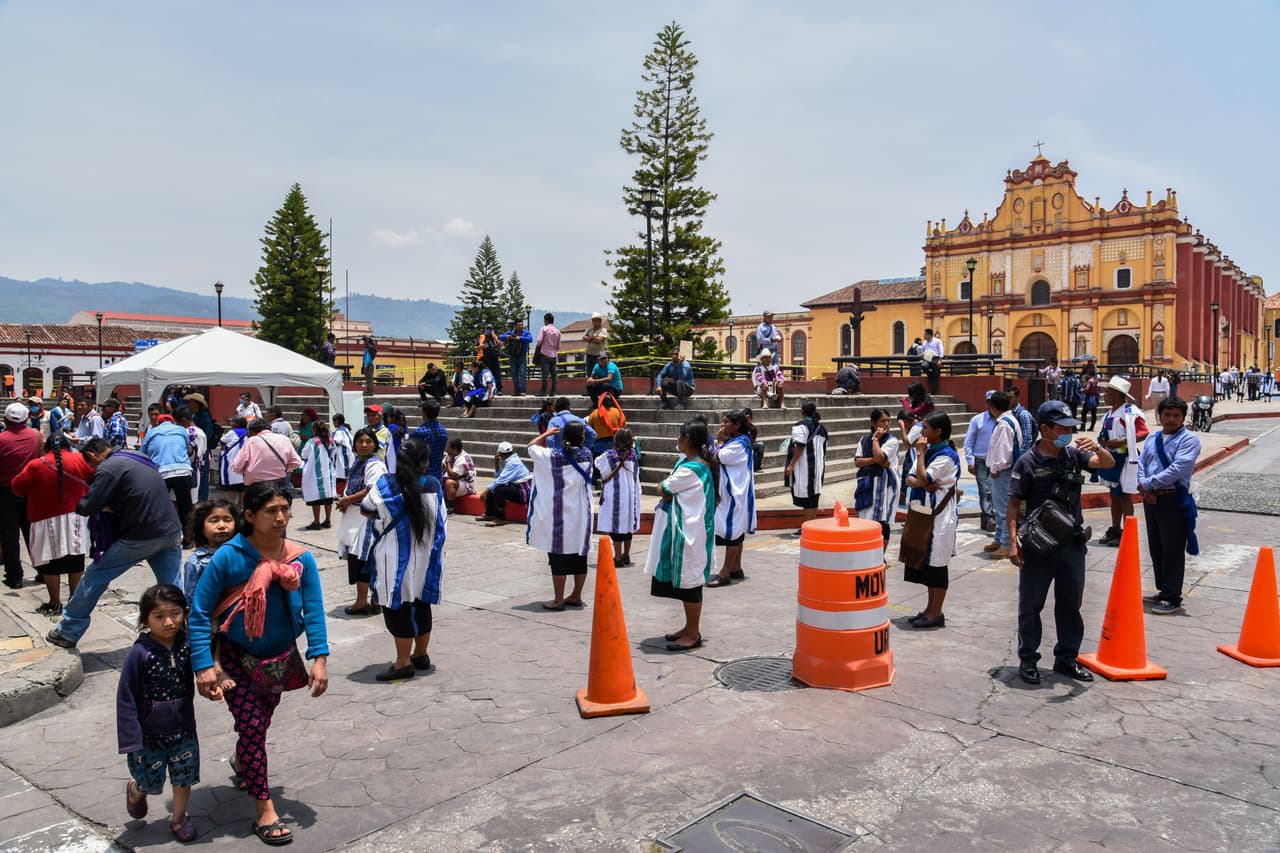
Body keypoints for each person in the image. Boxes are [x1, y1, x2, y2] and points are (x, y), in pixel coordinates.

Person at [188, 481, 329, 846]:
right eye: (271, 511)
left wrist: (319, 659)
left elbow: (313, 610)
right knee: (252, 728)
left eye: (284, 508)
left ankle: (242, 758)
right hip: (235, 656)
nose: (281, 517)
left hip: (280, 658)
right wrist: (204, 665)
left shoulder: (301, 559)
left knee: (258, 724)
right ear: (249, 516)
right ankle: (264, 809)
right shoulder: (228, 557)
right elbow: (201, 613)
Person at [1008, 401, 1114, 685]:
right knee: (1031, 606)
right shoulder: (1027, 462)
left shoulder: (1073, 455)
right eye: (1062, 427)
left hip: (1071, 545)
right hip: (1038, 547)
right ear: (1045, 429)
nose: (1068, 432)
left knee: (1070, 605)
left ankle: (1067, 659)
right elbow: (1014, 504)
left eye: (1070, 427)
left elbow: (1107, 464)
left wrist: (1098, 448)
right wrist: (1013, 543)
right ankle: (1028, 659)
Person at [46, 437, 184, 649]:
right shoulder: (139, 456)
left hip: (141, 536)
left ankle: (68, 631)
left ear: (92, 455)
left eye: (90, 465)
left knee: (95, 577)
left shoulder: (109, 468)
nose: (92, 469)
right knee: (173, 586)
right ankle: (183, 631)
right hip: (171, 531)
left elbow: (88, 505)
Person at [117, 583, 201, 843]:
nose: (168, 622)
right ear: (145, 620)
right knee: (149, 781)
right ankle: (135, 790)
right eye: (159, 616)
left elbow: (206, 667)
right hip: (148, 736)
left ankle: (179, 817)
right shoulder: (139, 654)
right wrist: (131, 737)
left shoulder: (188, 646)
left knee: (183, 777)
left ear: (185, 612)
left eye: (175, 613)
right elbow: (126, 697)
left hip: (184, 730)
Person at [362, 439, 446, 681]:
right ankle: (421, 654)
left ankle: (402, 662)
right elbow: (441, 520)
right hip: (425, 559)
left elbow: (367, 508)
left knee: (396, 608)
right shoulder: (433, 485)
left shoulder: (384, 485)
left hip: (393, 561)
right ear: (424, 463)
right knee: (421, 604)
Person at [645, 418, 717, 650]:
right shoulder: (694, 463)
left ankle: (693, 633)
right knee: (688, 582)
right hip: (690, 527)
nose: (677, 439)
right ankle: (689, 627)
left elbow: (665, 488)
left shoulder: (692, 468)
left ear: (687, 440)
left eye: (680, 436)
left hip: (690, 531)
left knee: (690, 584)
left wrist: (666, 490)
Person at [11, 434, 91, 613]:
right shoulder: (79, 459)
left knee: (51, 561)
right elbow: (94, 477)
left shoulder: (36, 465)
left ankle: (54, 602)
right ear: (68, 445)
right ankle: (74, 599)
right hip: (76, 517)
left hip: (45, 519)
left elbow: (17, 487)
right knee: (76, 559)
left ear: (46, 447)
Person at [1138, 397, 1201, 616]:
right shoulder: (1152, 438)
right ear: (1159, 416)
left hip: (1173, 499)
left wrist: (1148, 484)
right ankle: (1163, 588)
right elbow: (1142, 464)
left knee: (1172, 549)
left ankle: (1172, 596)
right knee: (1156, 547)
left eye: (1176, 415)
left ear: (1184, 417)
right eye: (1167, 415)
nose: (1171, 419)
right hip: (1152, 499)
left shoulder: (1189, 441)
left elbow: (1178, 469)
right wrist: (1146, 489)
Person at [902, 411, 961, 630]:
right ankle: (929, 608)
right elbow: (910, 479)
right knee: (927, 565)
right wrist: (921, 480)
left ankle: (937, 612)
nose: (922, 432)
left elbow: (923, 477)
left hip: (939, 519)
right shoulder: (928, 452)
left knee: (937, 565)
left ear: (938, 432)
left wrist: (919, 457)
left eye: (926, 428)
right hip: (924, 516)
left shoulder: (946, 455)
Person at [527, 421, 593, 610]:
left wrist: (546, 434)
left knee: (558, 558)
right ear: (581, 438)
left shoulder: (553, 456)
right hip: (580, 514)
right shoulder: (587, 455)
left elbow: (531, 447)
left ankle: (558, 599)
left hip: (559, 514)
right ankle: (576, 595)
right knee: (580, 558)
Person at [336, 428, 385, 616]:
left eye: (368, 441)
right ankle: (372, 600)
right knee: (363, 559)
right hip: (354, 517)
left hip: (367, 518)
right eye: (360, 441)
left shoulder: (375, 465)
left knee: (364, 559)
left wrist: (347, 500)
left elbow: (371, 489)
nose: (364, 445)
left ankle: (363, 601)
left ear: (374, 444)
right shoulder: (357, 462)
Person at [1096, 376, 1148, 547]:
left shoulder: (1130, 412)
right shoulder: (1109, 414)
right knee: (1114, 495)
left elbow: (1143, 432)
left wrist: (1122, 442)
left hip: (1126, 458)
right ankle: (1115, 529)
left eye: (1108, 392)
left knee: (1125, 496)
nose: (1105, 396)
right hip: (1111, 458)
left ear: (1118, 394)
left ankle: (1128, 532)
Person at [708, 410, 756, 586]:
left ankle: (725, 572)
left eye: (727, 422)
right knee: (736, 529)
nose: (723, 425)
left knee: (733, 532)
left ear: (737, 425)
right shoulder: (737, 441)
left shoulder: (740, 444)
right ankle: (736, 567)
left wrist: (719, 443)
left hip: (734, 493)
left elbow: (718, 457)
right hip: (733, 491)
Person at [0, 402, 42, 589]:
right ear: (27, 419)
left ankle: (15, 576)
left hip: (6, 491)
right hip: (31, 491)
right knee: (33, 534)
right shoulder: (36, 436)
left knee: (9, 536)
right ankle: (43, 571)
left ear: (5, 419)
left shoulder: (2, 439)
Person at [142, 412, 196, 542]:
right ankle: (188, 539)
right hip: (182, 471)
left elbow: (142, 453)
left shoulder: (152, 432)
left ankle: (160, 536)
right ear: (172, 422)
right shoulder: (182, 430)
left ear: (158, 422)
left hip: (161, 472)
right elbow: (189, 450)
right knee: (186, 506)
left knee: (159, 505)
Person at [594, 429, 642, 565]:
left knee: (616, 528)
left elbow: (597, 463)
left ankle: (618, 557)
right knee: (627, 526)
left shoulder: (609, 455)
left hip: (615, 495)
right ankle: (626, 555)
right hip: (630, 494)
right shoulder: (633, 455)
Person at [983, 391, 1021, 560]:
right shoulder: (1007, 421)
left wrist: (995, 468)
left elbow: (1004, 451)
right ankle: (999, 539)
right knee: (999, 509)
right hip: (1001, 471)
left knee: (1004, 509)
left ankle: (1006, 543)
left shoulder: (1005, 424)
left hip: (1002, 472)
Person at [853, 409, 899, 548]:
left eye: (888, 421)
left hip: (884, 485)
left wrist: (875, 440)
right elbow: (857, 461)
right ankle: (866, 550)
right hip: (866, 483)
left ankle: (880, 555)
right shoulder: (863, 439)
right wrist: (875, 460)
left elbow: (880, 457)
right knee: (865, 517)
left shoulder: (892, 440)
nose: (886, 424)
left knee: (882, 520)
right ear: (873, 423)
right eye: (882, 421)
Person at [181, 499, 238, 602]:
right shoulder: (196, 563)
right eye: (214, 520)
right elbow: (192, 600)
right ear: (201, 527)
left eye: (227, 520)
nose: (222, 526)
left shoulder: (243, 554)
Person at [785, 401, 827, 534]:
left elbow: (800, 446)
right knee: (813, 498)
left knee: (807, 499)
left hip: (805, 467)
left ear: (802, 412)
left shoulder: (801, 425)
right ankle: (812, 527)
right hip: (818, 467)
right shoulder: (821, 428)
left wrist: (791, 465)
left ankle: (807, 529)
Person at [231, 418, 301, 496]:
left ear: (252, 432)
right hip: (278, 483)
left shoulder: (251, 441)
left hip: (255, 486)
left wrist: (246, 471)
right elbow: (296, 462)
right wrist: (284, 469)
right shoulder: (284, 439)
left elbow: (237, 466)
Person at [962, 391, 997, 534]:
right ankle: (988, 518)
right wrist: (970, 461)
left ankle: (991, 518)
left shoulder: (1004, 420)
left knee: (996, 490)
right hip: (981, 461)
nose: (990, 405)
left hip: (997, 461)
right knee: (985, 490)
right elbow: (969, 441)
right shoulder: (978, 420)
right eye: (988, 402)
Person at [479, 441, 533, 526]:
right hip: (517, 487)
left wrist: (486, 490)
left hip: (523, 492)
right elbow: (499, 477)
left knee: (499, 489)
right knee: (494, 486)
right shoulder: (510, 460)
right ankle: (489, 514)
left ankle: (500, 518)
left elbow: (501, 480)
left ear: (501, 454)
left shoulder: (513, 463)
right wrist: (496, 463)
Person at [299, 420, 337, 530]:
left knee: (316, 498)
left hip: (315, 473)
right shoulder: (331, 441)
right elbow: (333, 453)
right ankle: (328, 520)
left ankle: (316, 522)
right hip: (328, 472)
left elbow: (304, 454)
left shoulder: (312, 442)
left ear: (315, 430)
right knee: (328, 498)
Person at [184, 393, 216, 501]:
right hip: (196, 448)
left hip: (202, 449)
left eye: (191, 402)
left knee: (202, 473)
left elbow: (208, 433)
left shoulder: (204, 415)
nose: (189, 404)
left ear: (196, 403)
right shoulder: (194, 414)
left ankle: (202, 498)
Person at [410, 399, 449, 481]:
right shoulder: (443, 431)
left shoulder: (419, 432)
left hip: (422, 476)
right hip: (437, 475)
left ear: (424, 412)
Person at [219, 417, 249, 505]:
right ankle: (241, 504)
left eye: (233, 421)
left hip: (232, 460)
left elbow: (222, 441)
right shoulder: (248, 432)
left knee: (231, 486)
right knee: (242, 486)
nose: (231, 423)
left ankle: (231, 504)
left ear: (237, 424)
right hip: (244, 461)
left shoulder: (233, 432)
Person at [500, 321, 533, 396]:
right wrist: (507, 337)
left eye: (521, 325)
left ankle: (523, 390)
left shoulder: (526, 332)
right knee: (514, 374)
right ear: (515, 326)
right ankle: (516, 391)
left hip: (522, 355)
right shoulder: (510, 333)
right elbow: (500, 337)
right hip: (512, 355)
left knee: (522, 373)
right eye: (519, 325)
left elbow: (530, 339)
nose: (520, 326)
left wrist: (520, 338)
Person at [443, 437, 477, 506]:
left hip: (466, 485)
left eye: (448, 447)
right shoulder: (451, 454)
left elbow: (452, 476)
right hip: (457, 481)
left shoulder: (463, 458)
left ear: (455, 449)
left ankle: (450, 507)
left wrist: (448, 463)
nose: (446, 449)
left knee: (449, 482)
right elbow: (443, 467)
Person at [534, 313, 561, 396]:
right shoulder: (557, 331)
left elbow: (539, 341)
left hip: (545, 354)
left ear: (546, 320)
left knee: (545, 375)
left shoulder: (544, 329)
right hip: (554, 355)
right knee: (554, 375)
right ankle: (553, 392)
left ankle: (543, 391)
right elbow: (558, 347)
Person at [1008, 385, 1038, 456]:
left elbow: (1027, 438)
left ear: (1018, 398)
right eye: (1007, 397)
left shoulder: (1023, 414)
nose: (1008, 400)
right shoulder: (1008, 412)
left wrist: (1020, 455)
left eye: (1011, 397)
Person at [478, 324, 505, 395]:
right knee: (486, 375)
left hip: (494, 359)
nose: (488, 330)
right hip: (485, 359)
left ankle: (499, 389)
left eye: (490, 329)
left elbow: (501, 345)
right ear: (485, 329)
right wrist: (482, 346)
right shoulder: (481, 337)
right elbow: (475, 347)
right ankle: (486, 390)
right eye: (487, 329)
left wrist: (495, 338)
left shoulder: (495, 337)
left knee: (497, 375)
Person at [330, 413, 353, 487]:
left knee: (342, 473)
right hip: (349, 453)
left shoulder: (339, 431)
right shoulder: (346, 429)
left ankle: (342, 490)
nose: (333, 423)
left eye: (333, 421)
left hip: (343, 455)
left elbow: (336, 442)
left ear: (337, 421)